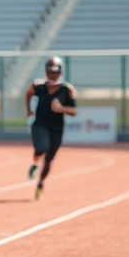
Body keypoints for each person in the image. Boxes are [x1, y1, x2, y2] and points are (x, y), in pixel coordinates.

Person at [26, 56, 77, 199]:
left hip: (57, 129)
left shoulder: (67, 89)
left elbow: (74, 111)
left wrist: (61, 109)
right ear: (46, 72)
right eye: (50, 72)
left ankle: (40, 183)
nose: (53, 75)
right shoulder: (38, 86)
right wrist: (28, 110)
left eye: (56, 72)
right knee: (41, 148)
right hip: (40, 125)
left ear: (60, 72)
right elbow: (28, 93)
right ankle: (35, 163)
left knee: (49, 159)